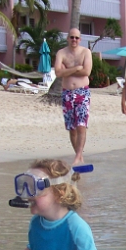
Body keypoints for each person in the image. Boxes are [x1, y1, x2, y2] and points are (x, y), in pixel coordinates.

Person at [54, 28, 93, 166]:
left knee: (81, 125)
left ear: (80, 39)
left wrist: (66, 70)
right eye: (72, 37)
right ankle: (79, 156)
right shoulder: (61, 53)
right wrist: (76, 68)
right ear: (68, 38)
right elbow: (58, 73)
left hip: (82, 93)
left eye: (76, 37)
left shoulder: (86, 52)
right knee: (72, 128)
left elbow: (87, 71)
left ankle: (77, 156)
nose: (74, 40)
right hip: (67, 94)